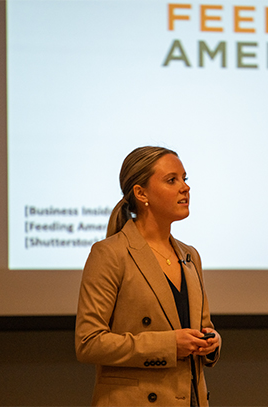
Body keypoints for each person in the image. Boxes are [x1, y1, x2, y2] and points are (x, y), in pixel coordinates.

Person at [75, 146, 221, 406]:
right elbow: (89, 342)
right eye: (171, 180)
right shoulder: (110, 254)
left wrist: (210, 342)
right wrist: (168, 345)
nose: (185, 188)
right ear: (141, 193)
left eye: (184, 179)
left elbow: (202, 327)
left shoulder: (190, 256)